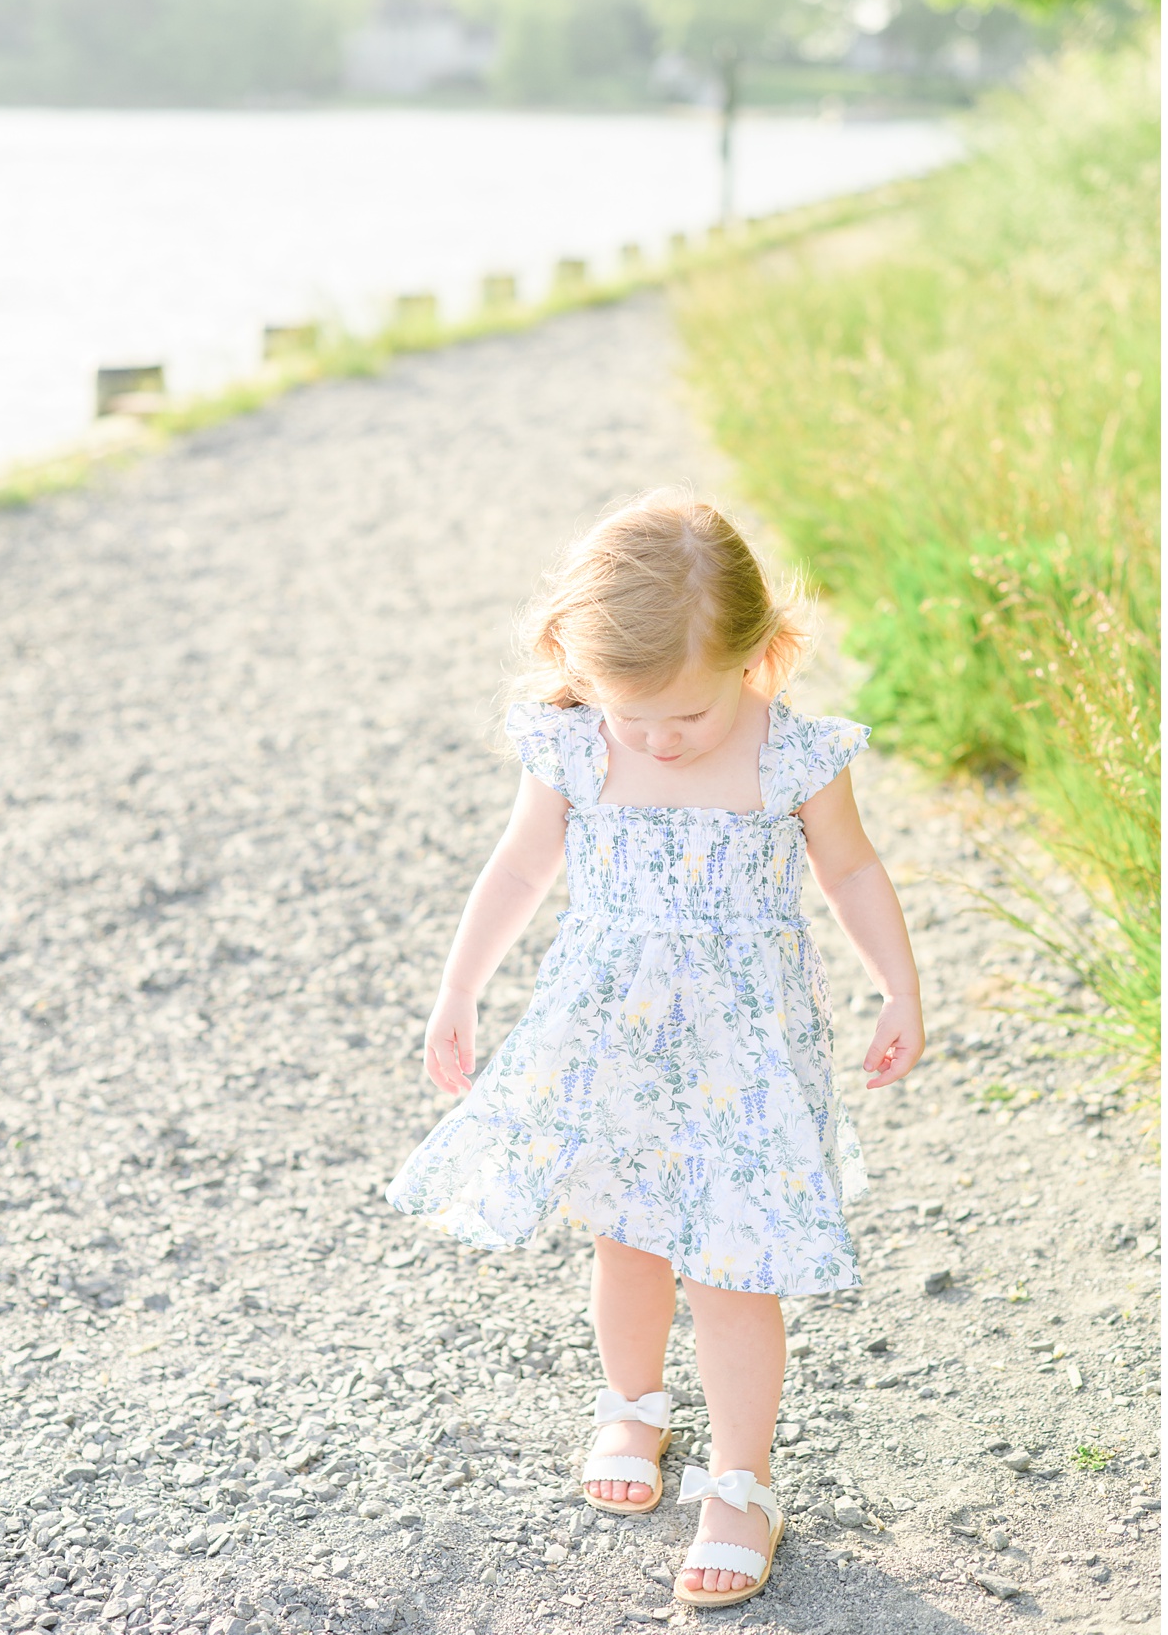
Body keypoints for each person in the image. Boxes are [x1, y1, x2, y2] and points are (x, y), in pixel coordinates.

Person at [387, 490, 923, 1609]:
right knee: (625, 1239)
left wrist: (897, 985)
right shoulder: (581, 749)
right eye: (636, 718)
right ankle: (631, 1406)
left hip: (744, 1061)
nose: (662, 741)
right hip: (612, 1045)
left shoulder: (796, 757)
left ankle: (742, 1480)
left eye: (687, 714)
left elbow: (854, 872)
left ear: (756, 658)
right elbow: (521, 868)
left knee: (731, 1265)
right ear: (582, 677)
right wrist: (459, 993)